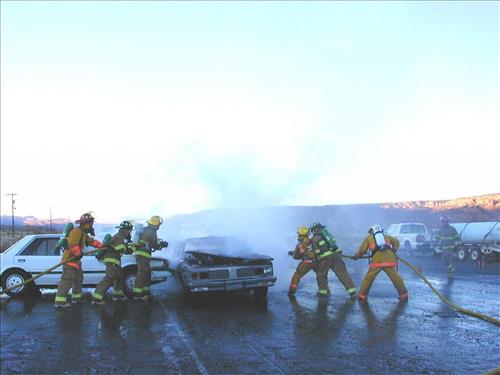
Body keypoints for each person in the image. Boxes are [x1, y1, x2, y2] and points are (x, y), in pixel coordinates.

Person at [54, 212, 105, 307]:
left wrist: (102, 246)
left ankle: (76, 298)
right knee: (67, 280)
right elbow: (73, 244)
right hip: (69, 260)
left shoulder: (83, 233)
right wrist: (78, 253)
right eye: (91, 223)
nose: (92, 225)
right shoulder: (76, 232)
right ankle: (60, 301)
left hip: (76, 262)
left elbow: (92, 242)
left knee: (78, 279)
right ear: (87, 223)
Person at [353, 224, 408, 301]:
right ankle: (404, 295)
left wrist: (356, 256)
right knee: (396, 277)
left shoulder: (369, 238)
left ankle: (362, 295)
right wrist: (394, 251)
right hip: (390, 259)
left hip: (377, 261)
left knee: (369, 278)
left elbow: (362, 250)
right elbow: (397, 242)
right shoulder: (387, 236)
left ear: (372, 231)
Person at [91, 220, 134, 305]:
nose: (130, 232)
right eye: (129, 230)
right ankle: (96, 298)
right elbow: (119, 248)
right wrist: (130, 248)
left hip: (115, 259)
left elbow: (121, 248)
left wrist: (128, 247)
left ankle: (117, 295)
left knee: (119, 275)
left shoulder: (120, 236)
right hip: (112, 259)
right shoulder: (120, 236)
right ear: (126, 230)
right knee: (110, 277)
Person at [310, 223, 357, 298]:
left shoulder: (315, 238)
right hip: (336, 255)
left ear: (315, 229)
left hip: (325, 258)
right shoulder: (328, 235)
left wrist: (316, 257)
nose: (312, 232)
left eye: (312, 231)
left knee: (321, 275)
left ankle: (323, 293)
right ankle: (352, 291)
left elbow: (316, 251)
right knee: (343, 273)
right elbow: (334, 244)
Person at [132, 215, 168, 300]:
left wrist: (158, 243)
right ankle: (137, 294)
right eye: (158, 224)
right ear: (155, 224)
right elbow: (154, 244)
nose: (159, 226)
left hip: (142, 254)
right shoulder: (151, 231)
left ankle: (145, 293)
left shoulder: (146, 230)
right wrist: (160, 245)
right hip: (143, 255)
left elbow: (150, 242)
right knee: (142, 273)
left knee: (146, 273)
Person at [287, 226, 317, 297]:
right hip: (316, 262)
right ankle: (324, 291)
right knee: (321, 276)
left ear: (301, 235)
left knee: (296, 276)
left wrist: (292, 254)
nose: (298, 236)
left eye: (299, 234)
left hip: (306, 263)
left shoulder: (300, 244)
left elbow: (297, 256)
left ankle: (292, 292)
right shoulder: (312, 241)